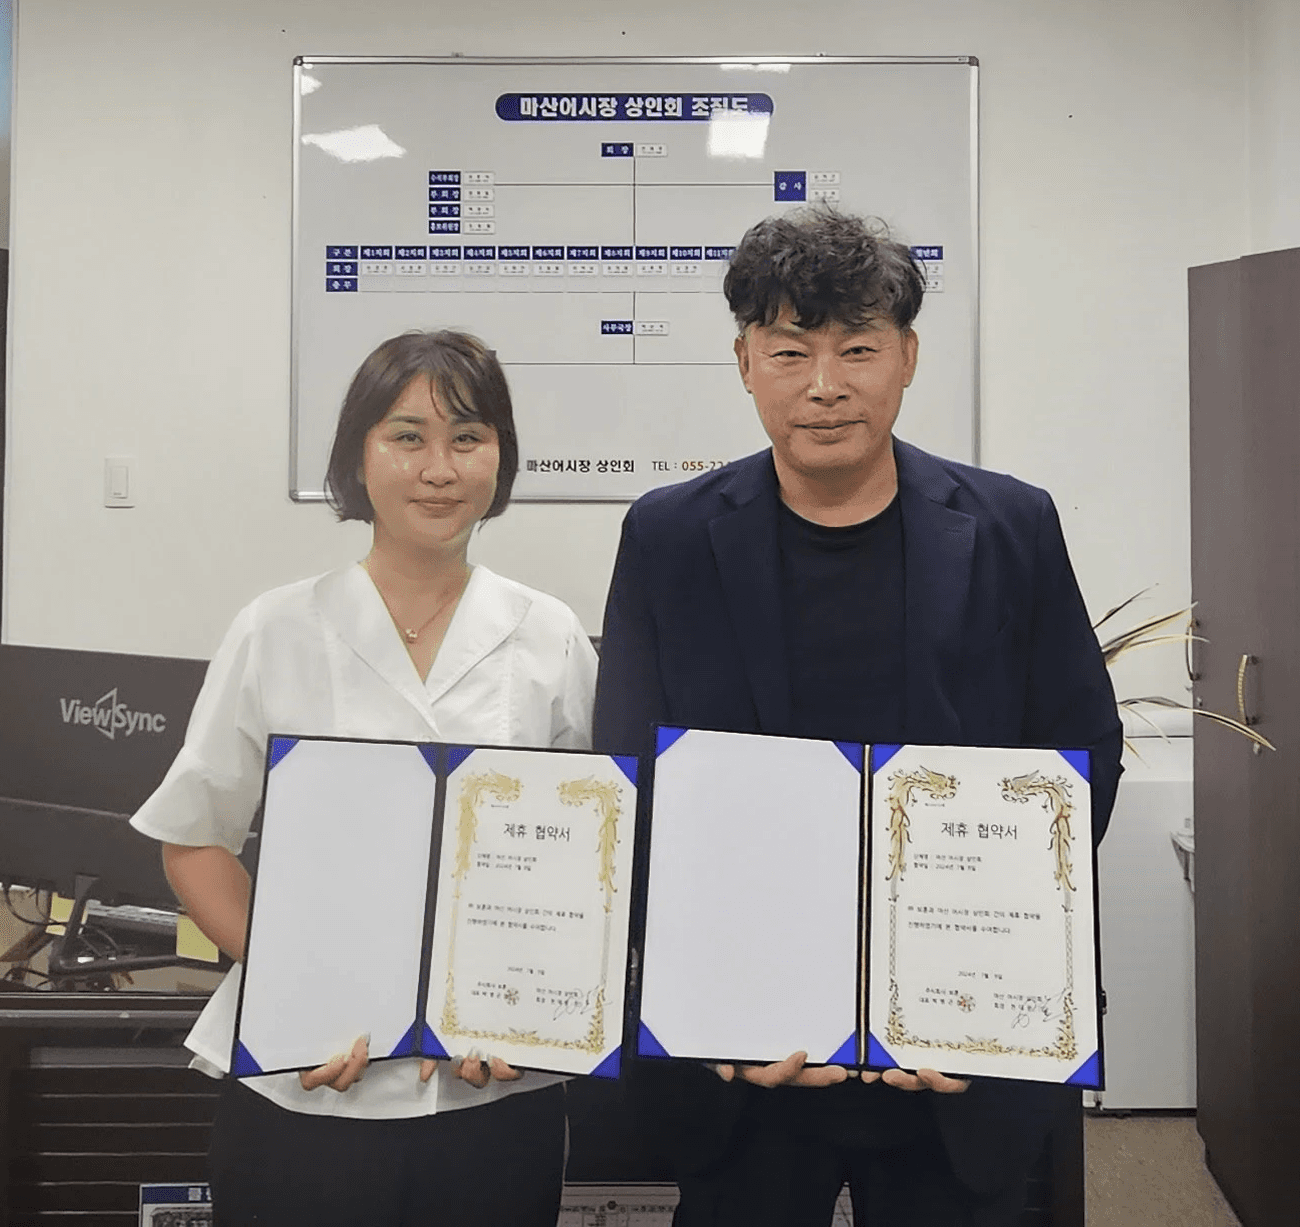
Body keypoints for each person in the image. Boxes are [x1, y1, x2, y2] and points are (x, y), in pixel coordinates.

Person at [594, 208, 1123, 1226]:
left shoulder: (1010, 524)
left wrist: (989, 966)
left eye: (857, 349)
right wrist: (714, 999)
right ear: (745, 363)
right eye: (789, 351)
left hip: (952, 1052)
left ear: (907, 357)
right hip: (747, 1055)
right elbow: (634, 778)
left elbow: (1080, 751)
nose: (824, 384)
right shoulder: (667, 536)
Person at [130, 330, 597, 1227]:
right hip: (305, 1083)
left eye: (468, 437)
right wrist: (299, 990)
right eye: (407, 436)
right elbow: (193, 839)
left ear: (499, 456)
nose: (439, 467)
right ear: (358, 454)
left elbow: (584, 865)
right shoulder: (275, 629)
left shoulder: (549, 635)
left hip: (493, 1088)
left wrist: (528, 1008)